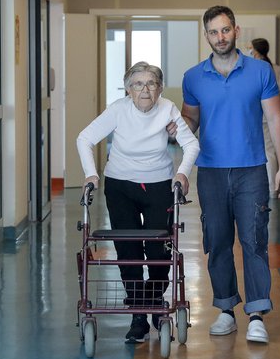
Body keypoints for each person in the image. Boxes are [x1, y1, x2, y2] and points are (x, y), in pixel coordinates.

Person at [181, 5, 280, 344]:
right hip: (210, 172)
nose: (220, 37)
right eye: (213, 32)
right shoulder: (193, 77)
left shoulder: (259, 72)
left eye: (225, 30)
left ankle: (256, 313)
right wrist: (172, 128)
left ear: (236, 30)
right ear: (206, 36)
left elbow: (275, 120)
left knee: (254, 241)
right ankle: (226, 310)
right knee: (217, 242)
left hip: (251, 170)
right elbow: (191, 122)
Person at [76, 61, 199, 344]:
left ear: (159, 88)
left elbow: (191, 144)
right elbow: (84, 138)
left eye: (152, 83)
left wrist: (182, 172)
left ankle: (154, 301)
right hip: (120, 186)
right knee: (128, 249)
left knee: (157, 250)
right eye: (138, 84)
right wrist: (91, 174)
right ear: (128, 89)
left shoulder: (167, 109)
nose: (145, 89)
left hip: (158, 185)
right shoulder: (118, 110)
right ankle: (138, 316)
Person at [247, 38, 280, 198]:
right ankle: (272, 187)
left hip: (257, 115)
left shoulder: (254, 69)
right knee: (270, 151)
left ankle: (267, 187)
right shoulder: (275, 68)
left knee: (259, 150)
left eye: (251, 49)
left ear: (256, 52)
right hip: (271, 115)